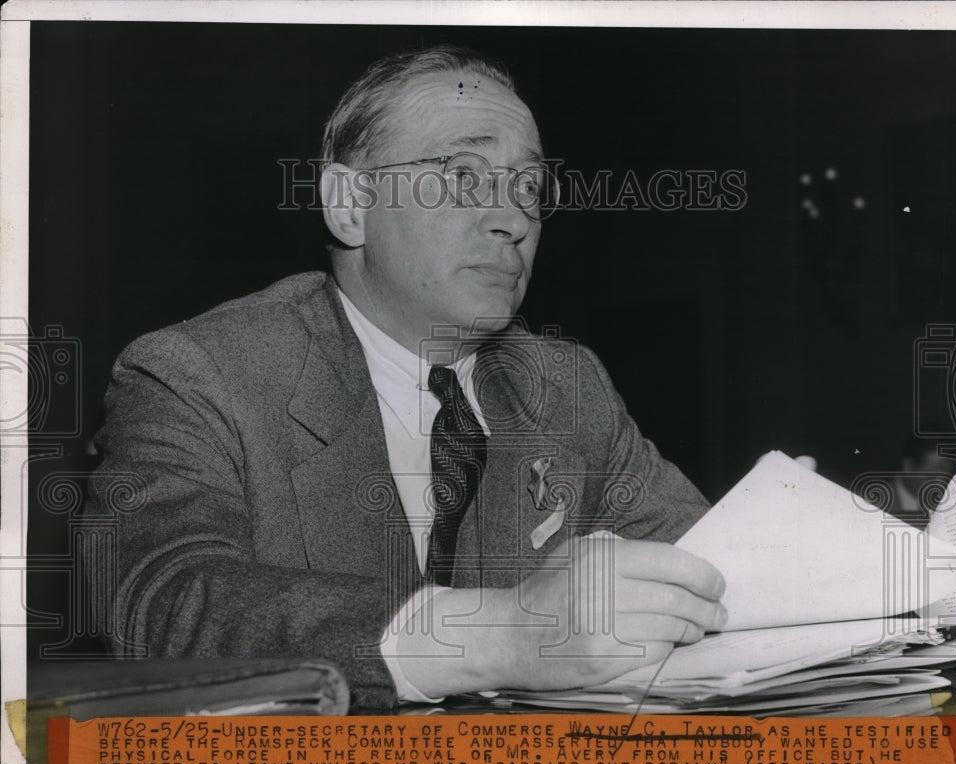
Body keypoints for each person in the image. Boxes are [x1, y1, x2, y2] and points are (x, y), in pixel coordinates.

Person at [86, 45, 727, 712]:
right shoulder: (199, 374)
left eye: (530, 188)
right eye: (463, 175)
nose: (512, 219)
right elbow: (161, 603)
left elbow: (714, 568)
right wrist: (505, 636)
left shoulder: (566, 386)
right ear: (349, 205)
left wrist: (796, 538)